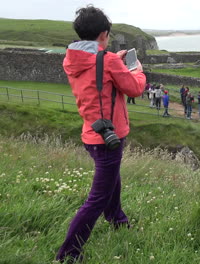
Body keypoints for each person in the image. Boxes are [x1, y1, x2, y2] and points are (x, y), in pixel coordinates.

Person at [56, 5, 146, 262]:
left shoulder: (72, 58)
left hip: (91, 133)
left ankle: (118, 221)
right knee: (97, 199)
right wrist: (136, 70)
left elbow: (97, 69)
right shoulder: (106, 61)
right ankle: (69, 253)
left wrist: (112, 60)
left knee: (111, 181)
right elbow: (134, 89)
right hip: (109, 137)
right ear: (104, 34)